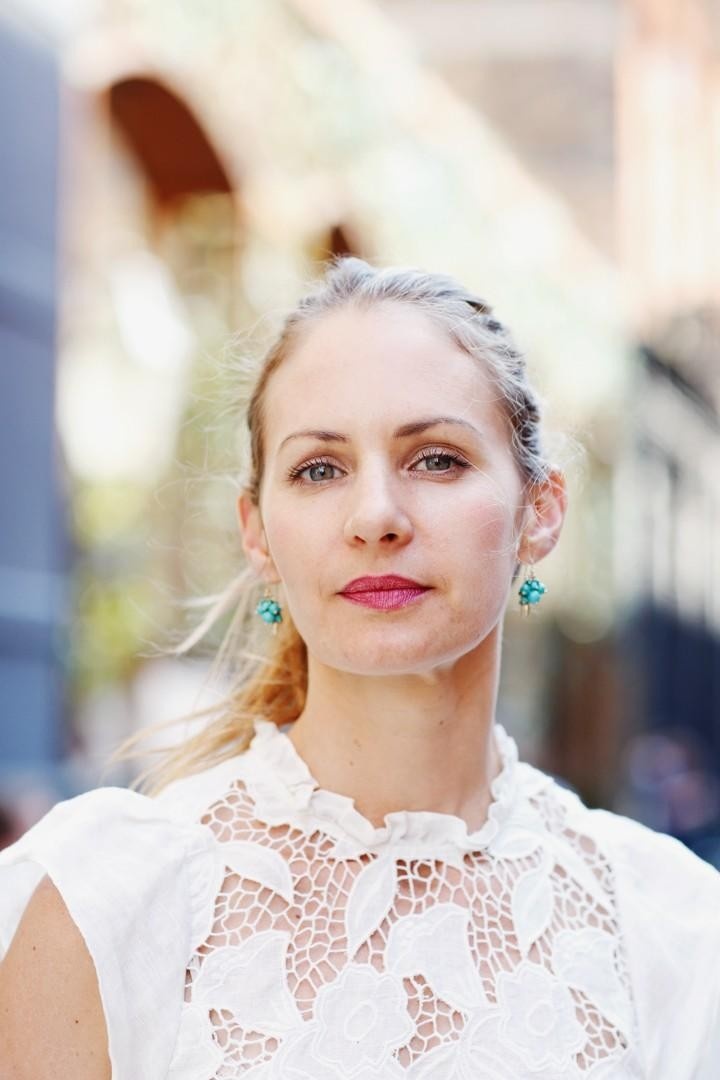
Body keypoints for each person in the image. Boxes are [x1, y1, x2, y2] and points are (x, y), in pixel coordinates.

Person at [0, 257, 718, 1080]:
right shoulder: (106, 904)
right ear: (257, 532)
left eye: (436, 459)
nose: (376, 516)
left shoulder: (672, 927)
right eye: (320, 469)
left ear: (540, 511)